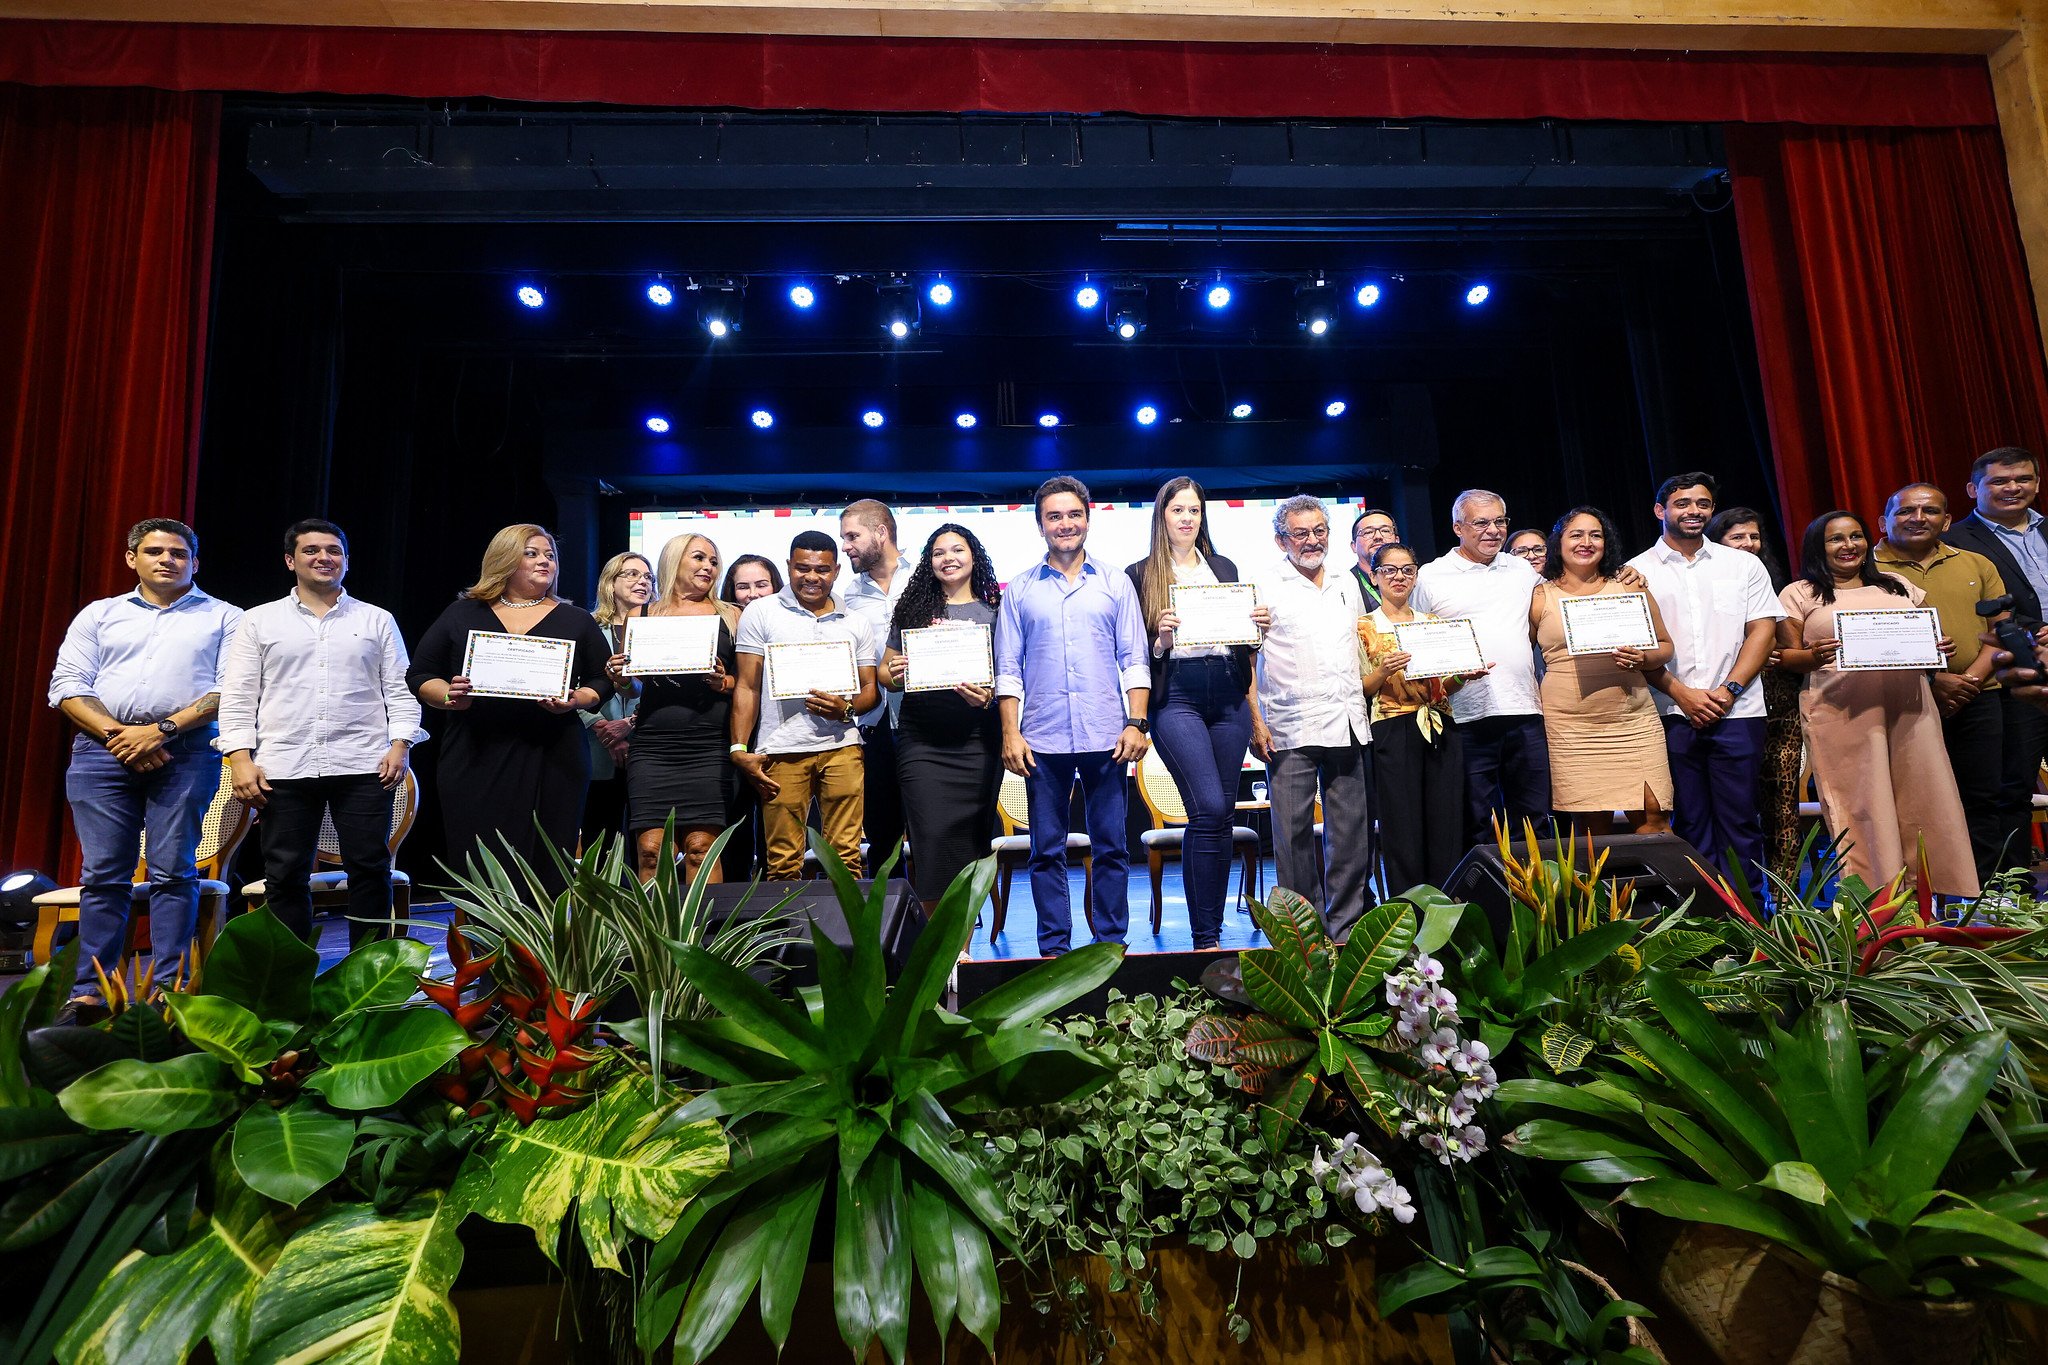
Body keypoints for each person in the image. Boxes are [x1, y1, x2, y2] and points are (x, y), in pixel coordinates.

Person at [48, 518, 242, 1014]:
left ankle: (168, 992)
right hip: (101, 753)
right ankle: (90, 993)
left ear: (194, 563)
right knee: (104, 875)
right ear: (132, 558)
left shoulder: (226, 618)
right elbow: (67, 686)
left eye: (178, 554)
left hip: (186, 751)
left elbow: (230, 690)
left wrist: (163, 731)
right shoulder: (99, 615)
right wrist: (122, 737)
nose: (166, 560)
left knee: (173, 872)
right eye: (154, 551)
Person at [218, 519, 422, 947]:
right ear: (291, 561)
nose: (324, 558)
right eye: (311, 550)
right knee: (285, 873)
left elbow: (401, 690)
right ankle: (292, 981)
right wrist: (240, 758)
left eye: (333, 550)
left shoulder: (376, 619)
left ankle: (368, 981)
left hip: (364, 762)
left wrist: (400, 743)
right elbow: (238, 695)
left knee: (369, 870)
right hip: (283, 765)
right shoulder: (258, 621)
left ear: (346, 561)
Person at [1777, 511, 1977, 897]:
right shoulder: (1800, 593)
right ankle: (1876, 900)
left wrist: (1940, 649)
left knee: (1924, 794)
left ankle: (1929, 898)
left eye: (1856, 536)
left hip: (1908, 704)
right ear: (1818, 546)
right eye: (1836, 539)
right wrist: (1813, 656)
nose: (1848, 545)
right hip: (1841, 708)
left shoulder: (1898, 586)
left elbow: (1925, 641)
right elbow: (1785, 656)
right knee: (1862, 804)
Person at [407, 524, 614, 892]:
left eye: (549, 555)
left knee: (548, 864)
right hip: (476, 754)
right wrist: (449, 697)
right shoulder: (462, 613)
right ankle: (485, 948)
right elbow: (421, 674)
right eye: (531, 553)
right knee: (481, 861)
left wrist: (574, 700)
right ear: (504, 560)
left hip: (554, 756)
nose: (544, 561)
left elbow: (604, 680)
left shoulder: (576, 619)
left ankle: (542, 947)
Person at [995, 476, 1151, 956]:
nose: (1065, 524)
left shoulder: (1115, 582)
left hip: (1108, 735)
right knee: (1046, 852)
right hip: (1041, 740)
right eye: (1054, 516)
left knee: (1112, 848)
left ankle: (1109, 948)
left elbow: (1135, 657)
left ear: (1088, 517)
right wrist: (1010, 734)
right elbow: (1008, 668)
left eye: (1073, 515)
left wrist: (1137, 722)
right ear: (1040, 524)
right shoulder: (1019, 590)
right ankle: (1054, 953)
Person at [1415, 491, 1608, 845]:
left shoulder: (1521, 569)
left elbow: (1570, 590)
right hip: (1466, 717)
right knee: (1476, 821)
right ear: (1458, 527)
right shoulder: (1432, 576)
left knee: (1534, 819)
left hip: (1525, 711)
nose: (1493, 530)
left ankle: (1535, 900)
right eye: (1481, 523)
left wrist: (1626, 576)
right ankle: (1483, 899)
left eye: (1500, 521)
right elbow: (1416, 640)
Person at [1126, 477, 1268, 950]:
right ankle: (1204, 938)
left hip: (1228, 694)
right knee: (1207, 805)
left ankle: (1209, 937)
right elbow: (1132, 654)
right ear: (1161, 516)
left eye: (1194, 510)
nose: (1187, 518)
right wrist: (1162, 640)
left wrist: (1256, 629)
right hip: (1177, 696)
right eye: (1177, 510)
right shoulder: (1141, 574)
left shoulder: (1223, 567)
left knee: (1221, 814)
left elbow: (1244, 647)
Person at [1627, 473, 1782, 883]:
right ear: (1661, 511)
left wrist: (1728, 691)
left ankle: (1750, 921)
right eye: (1683, 503)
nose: (1694, 511)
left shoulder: (1743, 564)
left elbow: (1763, 631)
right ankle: (1702, 924)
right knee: (1691, 823)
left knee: (1741, 822)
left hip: (1739, 709)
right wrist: (1682, 694)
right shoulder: (1633, 572)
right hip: (1669, 713)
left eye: (1703, 504)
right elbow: (1636, 647)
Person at [1877, 484, 2017, 883]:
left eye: (1930, 511)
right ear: (1883, 521)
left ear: (1948, 520)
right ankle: (1923, 895)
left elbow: (2001, 630)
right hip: (1905, 702)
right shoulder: (1865, 570)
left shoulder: (1977, 563)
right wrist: (1935, 680)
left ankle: (1989, 892)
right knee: (1915, 802)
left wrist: (1968, 681)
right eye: (1905, 511)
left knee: (1984, 798)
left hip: (1980, 699)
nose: (1918, 518)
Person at [1252, 495, 1375, 939]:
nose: (1312, 540)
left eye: (1319, 530)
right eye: (1300, 533)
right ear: (1280, 539)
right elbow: (1248, 659)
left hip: (1347, 720)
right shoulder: (1263, 584)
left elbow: (1361, 649)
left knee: (1350, 835)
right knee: (1293, 835)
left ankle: (1345, 929)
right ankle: (1302, 935)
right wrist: (1255, 722)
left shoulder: (1346, 580)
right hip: (1290, 725)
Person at [730, 531, 880, 880]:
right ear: (789, 567)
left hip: (843, 748)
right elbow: (747, 686)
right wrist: (739, 746)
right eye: (802, 568)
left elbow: (870, 689)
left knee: (846, 858)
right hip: (780, 750)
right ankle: (789, 936)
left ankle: (848, 934)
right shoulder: (761, 613)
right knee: (783, 862)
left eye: (822, 569)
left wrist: (844, 708)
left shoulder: (854, 621)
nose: (812, 577)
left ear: (836, 571)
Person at [881, 524, 1004, 910]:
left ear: (974, 557)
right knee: (931, 841)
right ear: (928, 562)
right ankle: (939, 953)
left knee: (972, 841)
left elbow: (1009, 676)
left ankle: (962, 951)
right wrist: (896, 673)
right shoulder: (912, 609)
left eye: (957, 550)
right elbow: (884, 673)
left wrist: (989, 697)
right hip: (922, 742)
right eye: (938, 552)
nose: (948, 558)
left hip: (978, 740)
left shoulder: (996, 612)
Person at [1531, 507, 1675, 834]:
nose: (1587, 542)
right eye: (1576, 535)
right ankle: (1603, 889)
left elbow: (1665, 646)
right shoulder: (1539, 596)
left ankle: (1652, 888)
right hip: (1571, 726)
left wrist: (1642, 658)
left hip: (1632, 720)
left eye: (1595, 535)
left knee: (1654, 818)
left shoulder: (1629, 586)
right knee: (1591, 829)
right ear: (1559, 543)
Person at [611, 534, 738, 885]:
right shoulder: (642, 614)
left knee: (701, 847)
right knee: (652, 850)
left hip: (708, 745)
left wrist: (723, 682)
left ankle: (708, 938)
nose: (708, 567)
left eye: (713, 561)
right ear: (674, 561)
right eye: (699, 558)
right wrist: (619, 676)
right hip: (652, 746)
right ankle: (655, 939)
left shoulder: (731, 615)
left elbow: (748, 685)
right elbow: (633, 685)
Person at [1945, 447, 2048, 873]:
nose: (2012, 488)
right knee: (2010, 790)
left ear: (2037, 484)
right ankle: (2014, 895)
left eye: (2022, 479)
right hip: (2014, 678)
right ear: (1973, 489)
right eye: (1999, 481)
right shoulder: (1953, 543)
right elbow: (1976, 609)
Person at [1359, 542, 1468, 894]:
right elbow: (1361, 689)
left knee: (1445, 822)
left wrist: (1465, 676)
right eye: (1388, 570)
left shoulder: (1432, 624)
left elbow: (1442, 688)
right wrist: (1383, 671)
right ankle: (1407, 916)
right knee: (1402, 826)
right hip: (1393, 729)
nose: (1399, 577)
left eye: (1407, 569)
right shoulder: (1364, 627)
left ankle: (1445, 915)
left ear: (1416, 575)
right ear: (1374, 577)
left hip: (1439, 726)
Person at [1704, 508, 1805, 890]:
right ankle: (1721, 894)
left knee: (1778, 802)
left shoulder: (1776, 584)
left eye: (1754, 536)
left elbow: (1789, 646)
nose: (1749, 544)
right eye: (1737, 538)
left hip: (1776, 704)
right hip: (1726, 701)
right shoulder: (1709, 582)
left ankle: (1784, 896)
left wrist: (1785, 649)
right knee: (1731, 805)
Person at [841, 499, 912, 876]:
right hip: (870, 724)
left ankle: (944, 928)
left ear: (881, 533)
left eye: (853, 536)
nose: (845, 546)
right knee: (882, 835)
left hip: (920, 722)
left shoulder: (925, 578)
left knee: (929, 827)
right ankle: (888, 925)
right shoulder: (847, 598)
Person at [717, 554, 783, 882]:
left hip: (777, 735)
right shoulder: (719, 627)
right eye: (743, 586)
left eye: (761, 585)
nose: (752, 594)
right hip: (729, 738)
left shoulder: (788, 623)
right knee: (735, 828)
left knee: (776, 835)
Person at [581, 551, 650, 853]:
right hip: (597, 748)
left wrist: (630, 725)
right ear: (610, 582)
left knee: (646, 842)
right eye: (632, 574)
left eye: (648, 576)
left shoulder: (660, 629)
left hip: (647, 745)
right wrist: (600, 726)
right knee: (599, 836)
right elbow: (571, 686)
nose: (642, 581)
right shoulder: (587, 628)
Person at [1349, 508, 1400, 611]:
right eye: (1368, 532)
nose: (1378, 536)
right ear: (1354, 546)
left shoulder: (1412, 579)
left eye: (1385, 531)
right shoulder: (1344, 583)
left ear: (1397, 540)